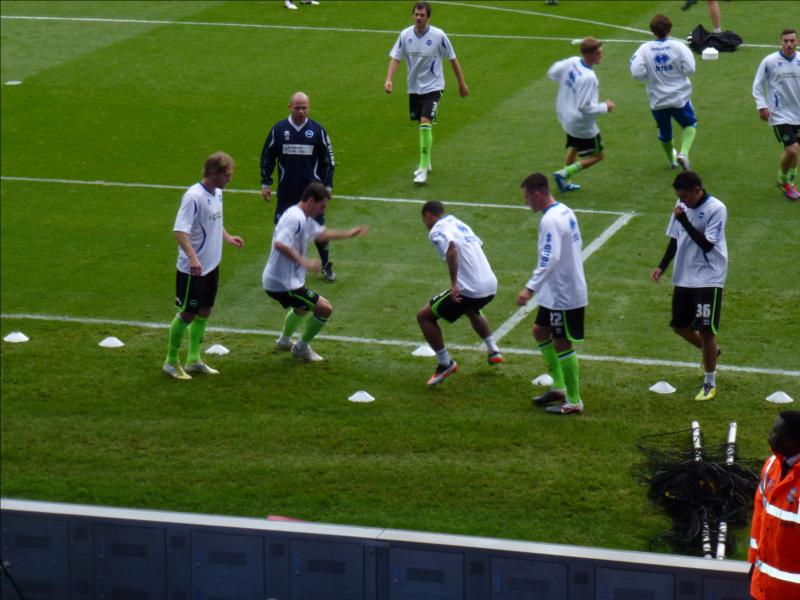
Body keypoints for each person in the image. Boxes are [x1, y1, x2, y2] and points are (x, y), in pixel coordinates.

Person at [262, 183, 367, 362]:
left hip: (287, 280)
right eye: (322, 206)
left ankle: (284, 341)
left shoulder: (304, 217)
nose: (322, 211)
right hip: (282, 283)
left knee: (302, 308)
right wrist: (304, 262)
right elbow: (280, 244)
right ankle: (301, 348)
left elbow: (321, 234)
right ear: (311, 200)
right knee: (325, 308)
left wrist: (348, 234)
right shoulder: (295, 219)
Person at [163, 152, 244, 380]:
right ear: (214, 173)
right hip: (193, 269)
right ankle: (170, 362)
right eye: (227, 175)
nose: (230, 179)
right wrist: (192, 257)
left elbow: (214, 220)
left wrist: (227, 237)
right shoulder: (193, 197)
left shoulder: (217, 193)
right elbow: (180, 230)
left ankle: (193, 360)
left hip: (211, 266)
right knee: (188, 313)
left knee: (205, 310)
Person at [651, 171, 727, 401]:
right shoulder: (682, 204)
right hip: (684, 274)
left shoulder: (716, 209)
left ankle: (709, 383)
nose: (681, 200)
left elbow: (706, 244)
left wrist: (684, 218)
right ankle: (712, 352)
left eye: (684, 196)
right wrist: (662, 266)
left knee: (705, 329)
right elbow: (675, 237)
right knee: (680, 326)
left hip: (708, 276)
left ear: (697, 190)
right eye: (678, 196)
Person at [516, 173, 587, 415]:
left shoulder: (550, 220)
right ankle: (558, 387)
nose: (526, 202)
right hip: (557, 290)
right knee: (540, 331)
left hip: (563, 293)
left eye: (527, 197)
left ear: (538, 194)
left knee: (561, 341)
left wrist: (529, 288)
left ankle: (574, 401)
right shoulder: (564, 210)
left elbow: (550, 257)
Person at [417, 201, 503, 386]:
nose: (425, 224)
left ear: (429, 215)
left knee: (424, 317)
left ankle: (445, 363)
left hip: (471, 289)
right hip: (490, 285)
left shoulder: (437, 230)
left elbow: (452, 250)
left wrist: (454, 283)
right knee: (470, 309)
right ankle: (493, 349)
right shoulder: (460, 223)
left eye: (424, 219)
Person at [384, 1, 469, 185]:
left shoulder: (439, 36)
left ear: (428, 17)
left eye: (422, 15)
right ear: (413, 15)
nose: (419, 18)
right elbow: (395, 57)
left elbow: (453, 59)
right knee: (420, 123)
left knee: (425, 122)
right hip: (414, 88)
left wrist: (461, 83)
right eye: (416, 14)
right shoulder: (405, 35)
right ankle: (427, 160)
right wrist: (389, 79)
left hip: (434, 87)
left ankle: (422, 168)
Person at [260, 91, 338, 281]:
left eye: (304, 108)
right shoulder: (278, 130)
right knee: (282, 227)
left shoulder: (317, 130)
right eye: (297, 108)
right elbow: (267, 156)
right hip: (287, 190)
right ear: (290, 107)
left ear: (309, 107)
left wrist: (327, 186)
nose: (301, 111)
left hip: (312, 193)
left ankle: (326, 265)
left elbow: (329, 160)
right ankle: (279, 267)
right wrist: (266, 182)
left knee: (319, 229)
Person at [630, 14, 698, 171]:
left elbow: (636, 72)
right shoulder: (679, 46)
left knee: (664, 131)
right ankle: (684, 153)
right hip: (679, 98)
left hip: (657, 100)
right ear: (670, 29)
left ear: (652, 31)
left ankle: (672, 160)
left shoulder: (644, 49)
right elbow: (690, 69)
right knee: (689, 124)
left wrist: (652, 76)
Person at [548, 38, 615, 193]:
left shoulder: (573, 61)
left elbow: (553, 72)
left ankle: (565, 182)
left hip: (565, 115)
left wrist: (566, 83)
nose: (601, 56)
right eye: (598, 53)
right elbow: (584, 106)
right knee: (599, 156)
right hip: (581, 124)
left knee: (574, 147)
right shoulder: (589, 77)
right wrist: (606, 106)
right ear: (588, 55)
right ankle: (563, 174)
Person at [748, 410, 800, 599]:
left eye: (774, 432)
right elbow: (759, 516)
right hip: (761, 587)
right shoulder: (771, 465)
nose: (769, 435)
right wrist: (754, 561)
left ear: (788, 441)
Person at [752, 28, 800, 201]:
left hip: (798, 114)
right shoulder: (770, 61)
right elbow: (757, 86)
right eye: (785, 41)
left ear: (797, 42)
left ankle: (786, 181)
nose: (789, 44)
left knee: (795, 151)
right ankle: (786, 182)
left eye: (792, 41)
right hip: (779, 114)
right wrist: (761, 106)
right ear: (781, 42)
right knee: (792, 150)